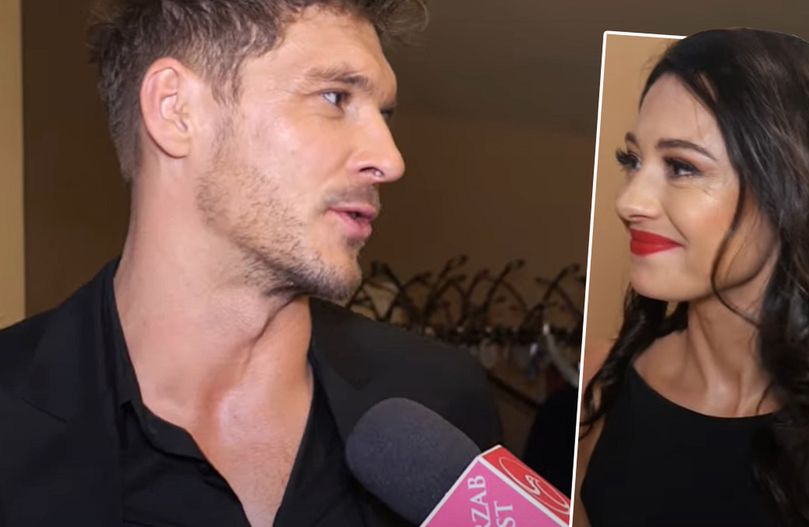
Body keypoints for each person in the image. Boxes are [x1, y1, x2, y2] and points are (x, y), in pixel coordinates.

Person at [0, 1, 500, 526]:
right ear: (176, 109)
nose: (391, 160)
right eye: (335, 97)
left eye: (385, 114)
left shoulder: (441, 404)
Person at [577, 29, 809, 527]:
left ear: (796, 189)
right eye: (632, 161)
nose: (629, 201)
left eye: (682, 167)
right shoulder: (603, 379)